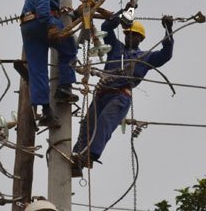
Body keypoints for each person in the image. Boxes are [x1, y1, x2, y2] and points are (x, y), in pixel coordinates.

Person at [72, 14, 174, 176]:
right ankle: (77, 155)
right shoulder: (116, 47)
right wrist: (121, 18)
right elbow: (106, 28)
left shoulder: (145, 57)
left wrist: (168, 30)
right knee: (87, 123)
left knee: (105, 121)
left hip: (120, 96)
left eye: (133, 35)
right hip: (102, 93)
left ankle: (90, 155)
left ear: (140, 39)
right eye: (127, 33)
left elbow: (165, 55)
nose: (129, 37)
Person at [19, 0, 84, 129]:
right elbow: (42, 4)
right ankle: (63, 89)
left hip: (28, 26)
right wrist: (50, 24)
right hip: (43, 20)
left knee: (37, 68)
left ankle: (46, 110)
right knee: (69, 48)